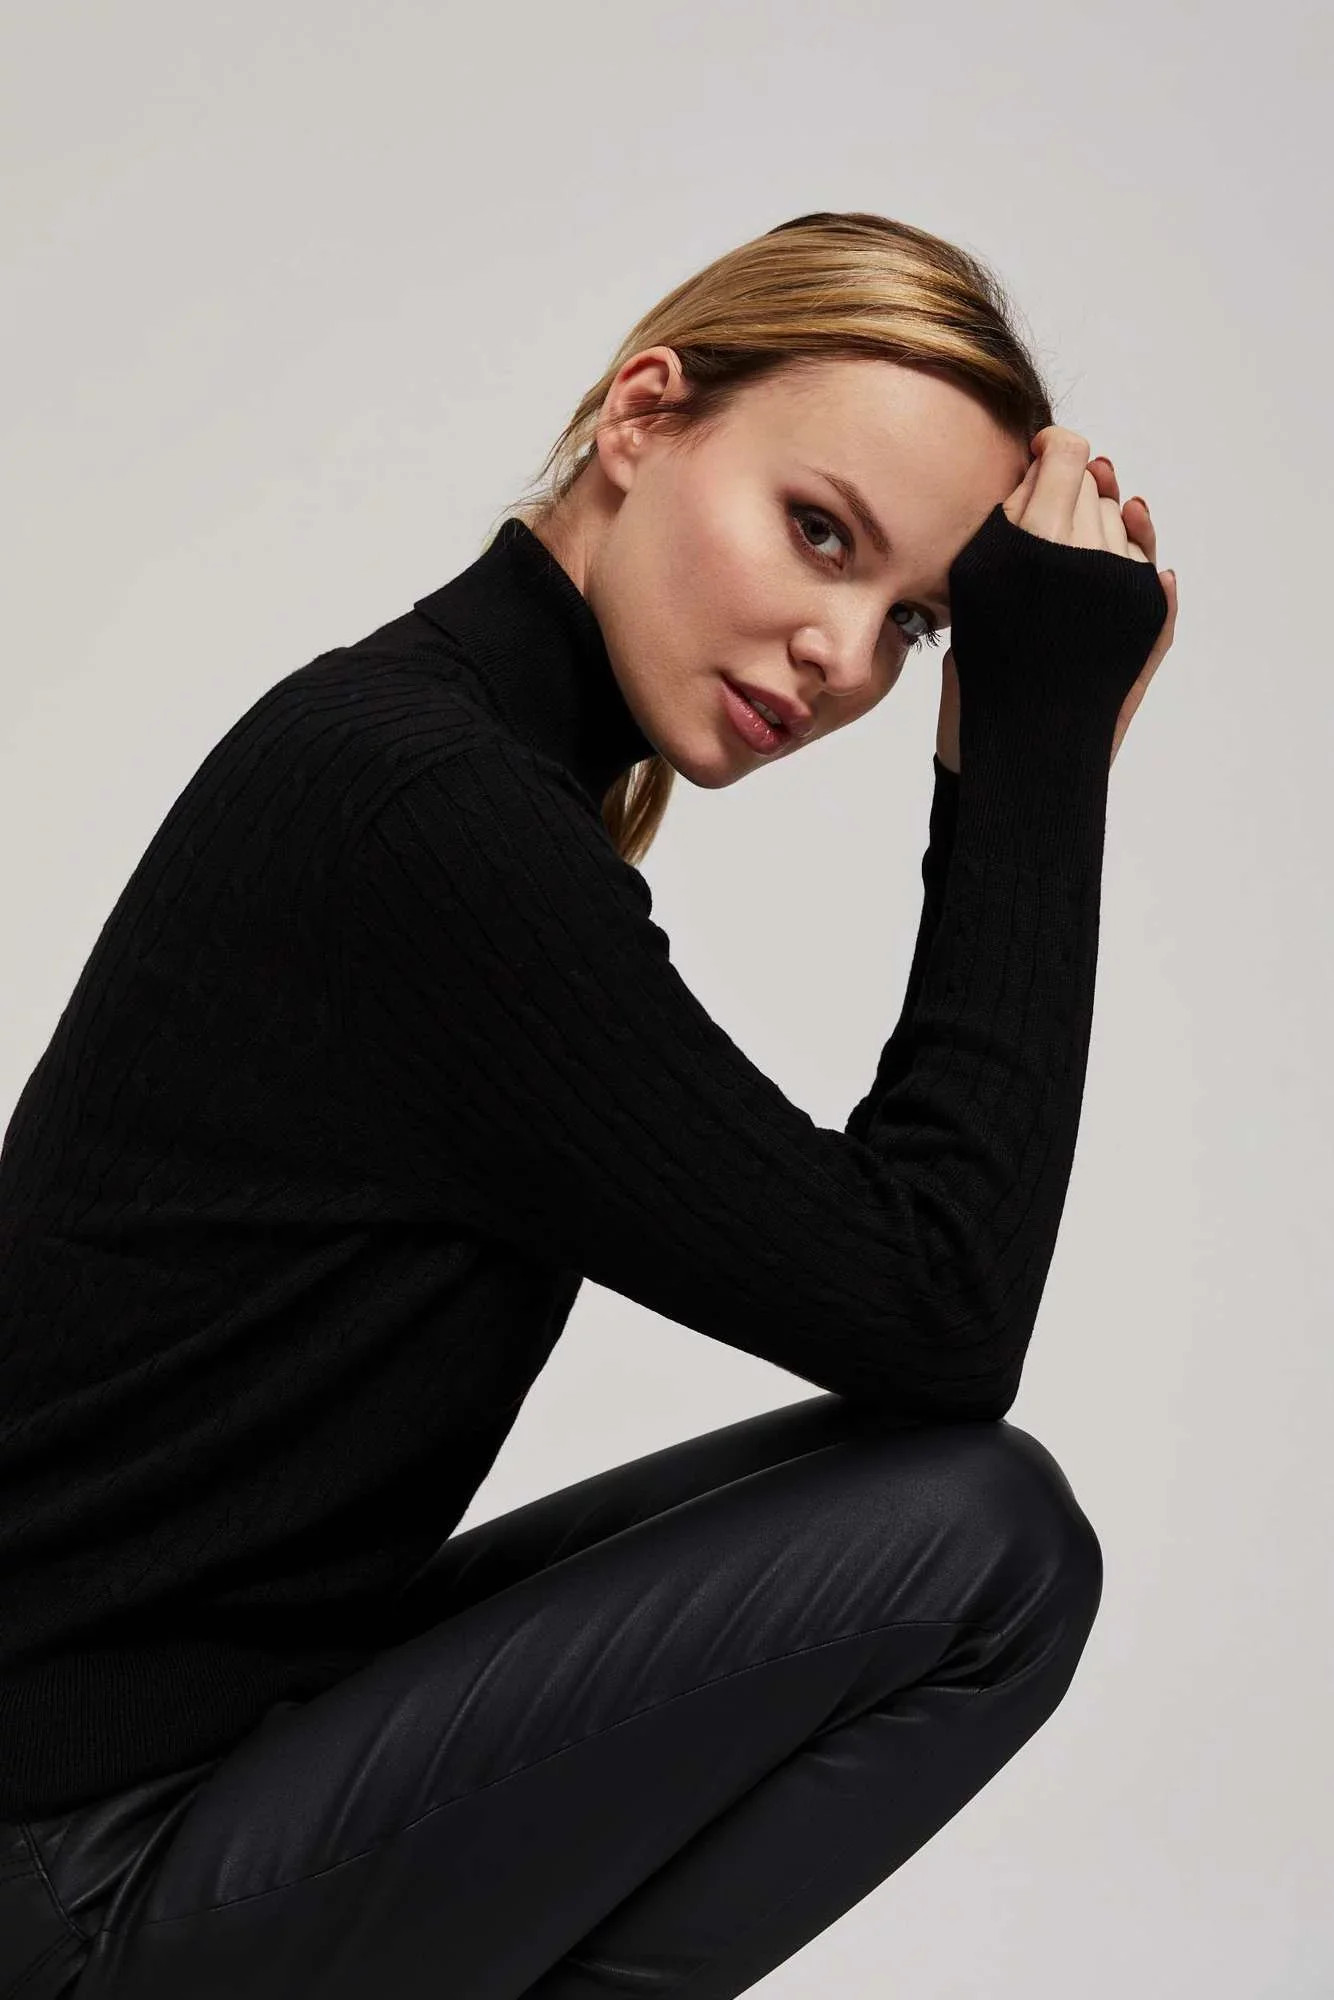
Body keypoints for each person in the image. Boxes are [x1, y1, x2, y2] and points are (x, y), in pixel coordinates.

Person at [0, 210, 1176, 1998]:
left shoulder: (432, 761)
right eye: (819, 530)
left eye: (916, 624)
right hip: (66, 1876)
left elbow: (916, 1329)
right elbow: (940, 1306)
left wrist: (1019, 733)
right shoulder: (425, 818)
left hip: (141, 1798)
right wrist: (1030, 761)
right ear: (642, 415)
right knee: (982, 1549)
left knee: (930, 1502)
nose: (842, 655)